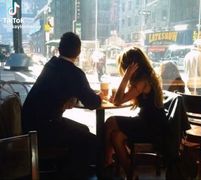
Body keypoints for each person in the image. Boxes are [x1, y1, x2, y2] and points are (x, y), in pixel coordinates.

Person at [21, 32, 103, 179]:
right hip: (45, 128)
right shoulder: (74, 73)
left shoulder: (51, 65)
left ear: (59, 49)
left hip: (29, 124)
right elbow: (93, 103)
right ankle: (74, 174)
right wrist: (100, 96)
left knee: (83, 130)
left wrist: (69, 99)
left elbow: (54, 91)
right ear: (78, 52)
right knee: (92, 141)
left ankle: (65, 169)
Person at [104, 47, 168, 179]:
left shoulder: (143, 80)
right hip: (151, 123)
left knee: (110, 122)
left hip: (151, 127)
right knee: (116, 136)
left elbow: (117, 102)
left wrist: (127, 75)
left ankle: (106, 162)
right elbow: (122, 99)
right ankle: (130, 174)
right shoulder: (147, 76)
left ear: (131, 65)